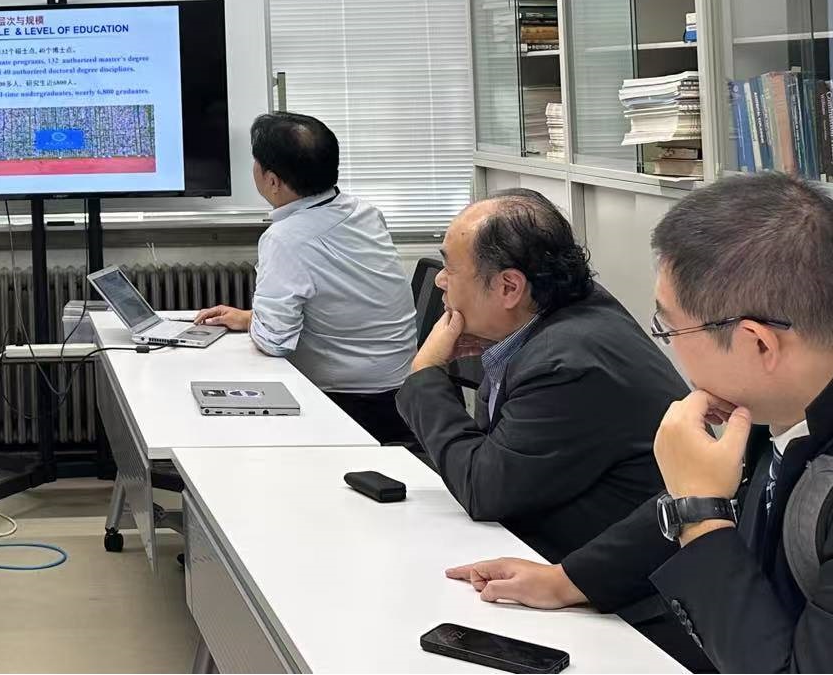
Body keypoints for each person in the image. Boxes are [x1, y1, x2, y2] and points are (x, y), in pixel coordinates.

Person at [445, 173, 833, 672]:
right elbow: (726, 501)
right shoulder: (780, 410)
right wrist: (566, 581)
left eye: (670, 327)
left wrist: (699, 511)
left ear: (758, 343)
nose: (665, 342)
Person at [399, 189, 688, 565]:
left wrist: (426, 372)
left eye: (450, 269)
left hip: (615, 583)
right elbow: (494, 454)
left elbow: (483, 489)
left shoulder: (565, 364)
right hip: (564, 549)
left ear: (509, 287)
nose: (440, 281)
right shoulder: (563, 312)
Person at [194, 111, 418, 445]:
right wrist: (252, 318)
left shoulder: (285, 238)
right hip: (403, 395)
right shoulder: (365, 212)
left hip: (354, 406)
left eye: (256, 162)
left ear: (273, 181)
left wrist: (262, 323)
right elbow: (340, 304)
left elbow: (274, 342)